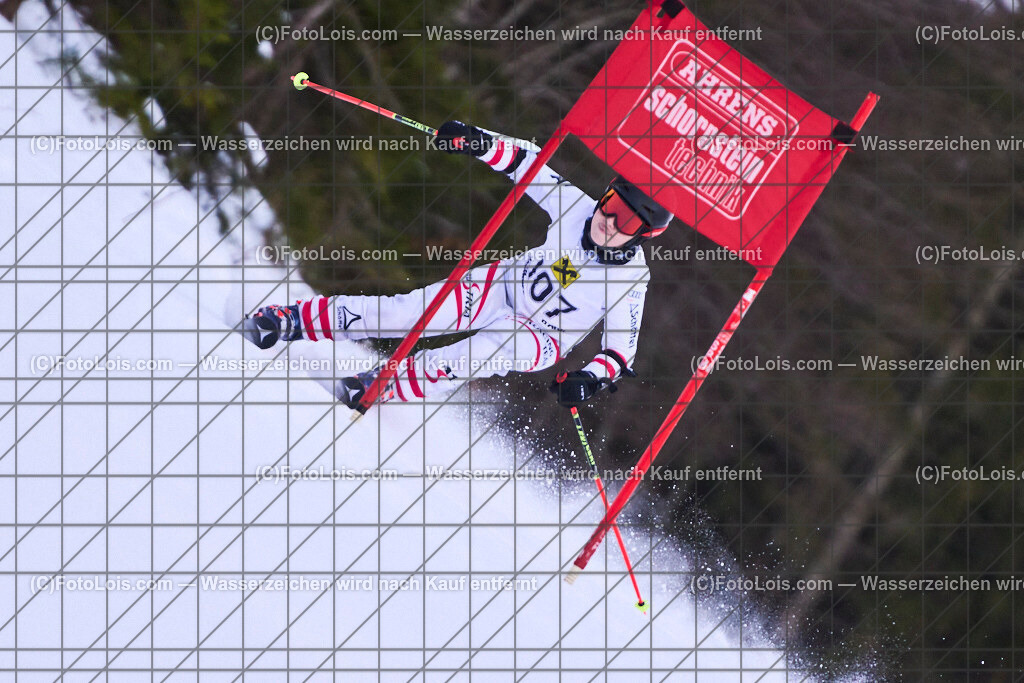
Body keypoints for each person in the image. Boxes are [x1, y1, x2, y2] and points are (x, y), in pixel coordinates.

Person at [243, 121, 673, 409]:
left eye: (629, 220)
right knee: (407, 313)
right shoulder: (577, 207)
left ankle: (383, 384)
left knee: (479, 352)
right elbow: (528, 163)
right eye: (612, 205)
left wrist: (588, 380)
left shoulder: (630, 280)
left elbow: (619, 353)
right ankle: (291, 319)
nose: (611, 221)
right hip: (503, 286)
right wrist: (477, 140)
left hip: (541, 336)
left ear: (643, 234)